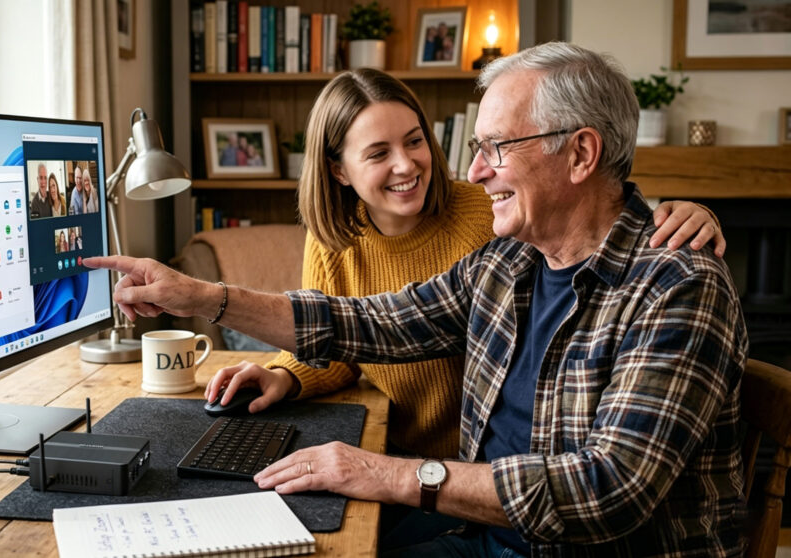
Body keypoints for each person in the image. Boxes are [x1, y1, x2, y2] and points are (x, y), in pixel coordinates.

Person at [86, 43, 747, 556]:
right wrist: (199, 296)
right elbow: (369, 322)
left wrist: (392, 476)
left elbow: (607, 492)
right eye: (476, 148)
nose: (477, 169)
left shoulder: (677, 287)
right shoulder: (510, 261)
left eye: (496, 148)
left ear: (580, 154)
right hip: (486, 532)